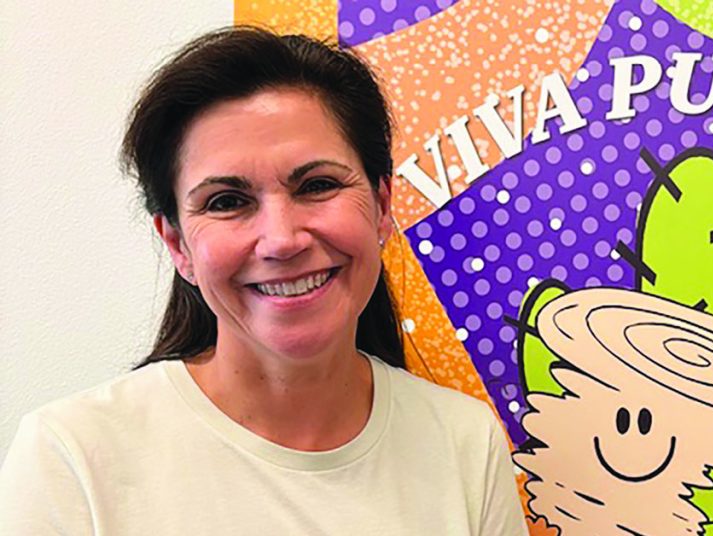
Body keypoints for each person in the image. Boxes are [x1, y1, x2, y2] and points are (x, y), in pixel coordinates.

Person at [0, 27, 528, 535]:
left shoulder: (464, 443)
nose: (281, 240)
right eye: (227, 202)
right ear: (177, 244)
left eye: (318, 185)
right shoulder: (73, 457)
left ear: (382, 206)